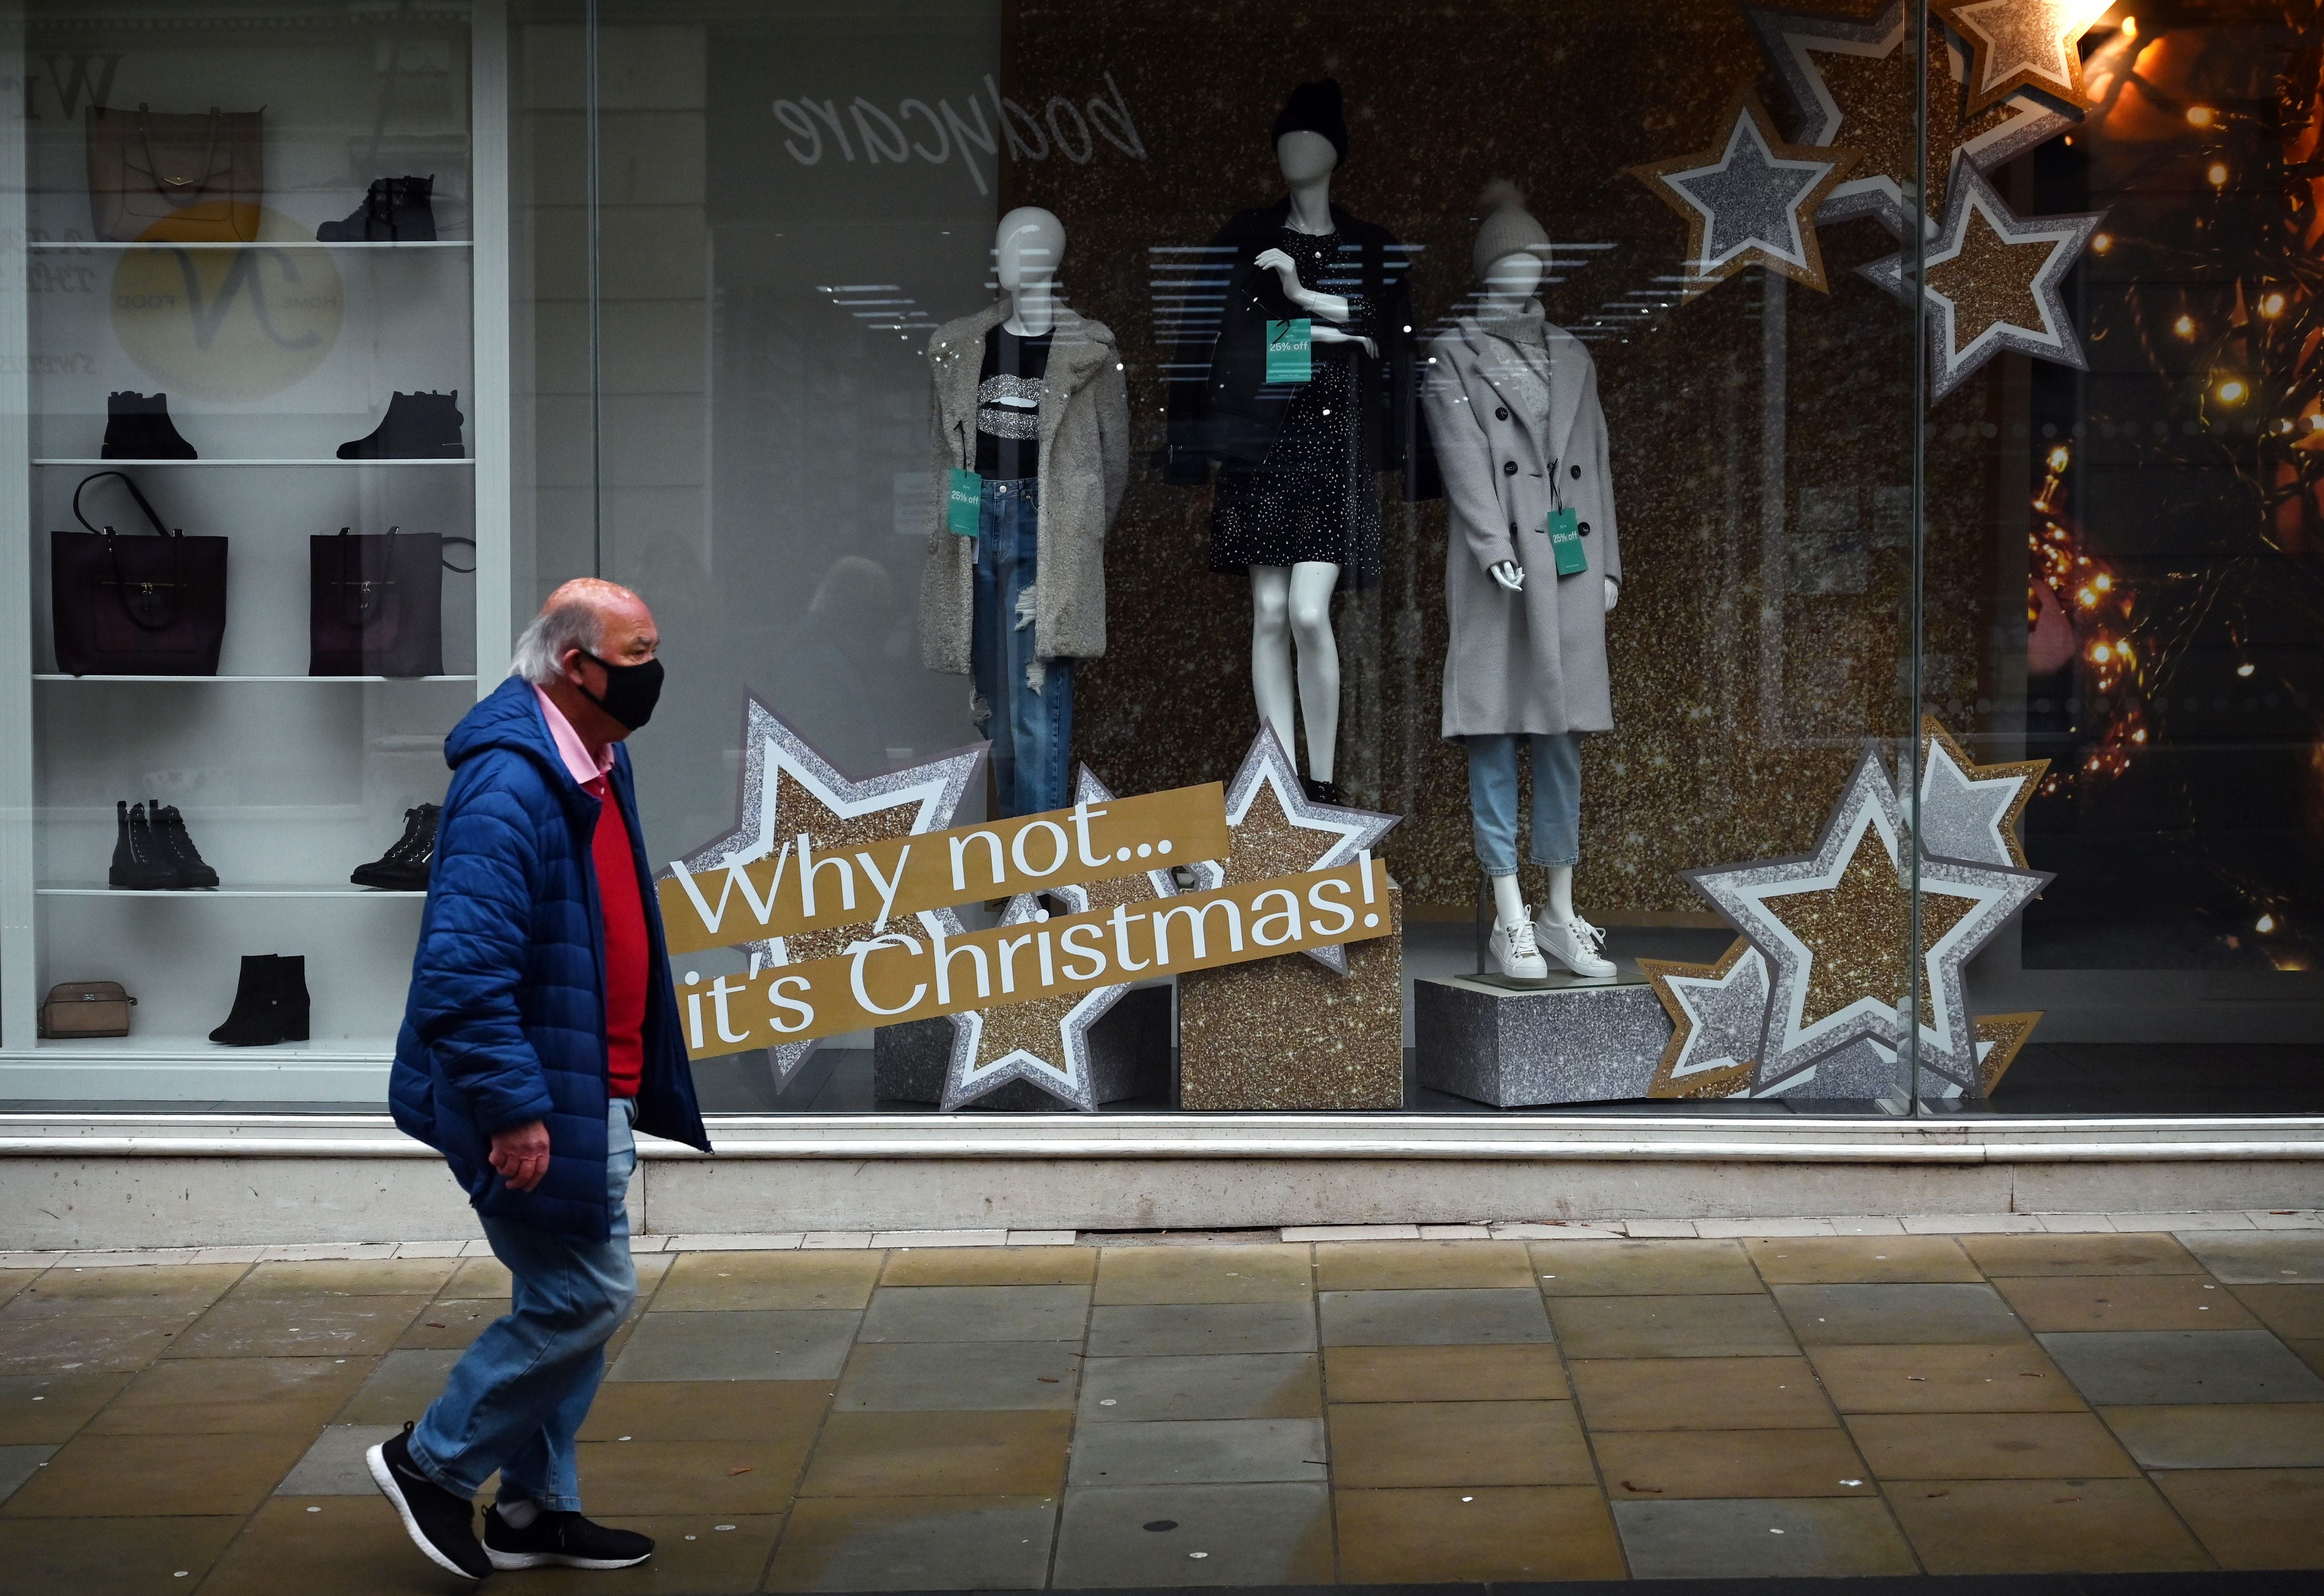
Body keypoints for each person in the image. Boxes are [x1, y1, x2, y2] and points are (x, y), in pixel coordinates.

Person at [371, 578, 709, 1579]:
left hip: (586, 1082)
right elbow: (461, 977)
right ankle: (431, 1463)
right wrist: (515, 1111)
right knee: (585, 1298)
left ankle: (534, 1509)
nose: (654, 673)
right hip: (534, 1098)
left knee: (560, 1299)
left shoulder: (597, 758)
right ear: (578, 663)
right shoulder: (512, 784)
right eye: (639, 655)